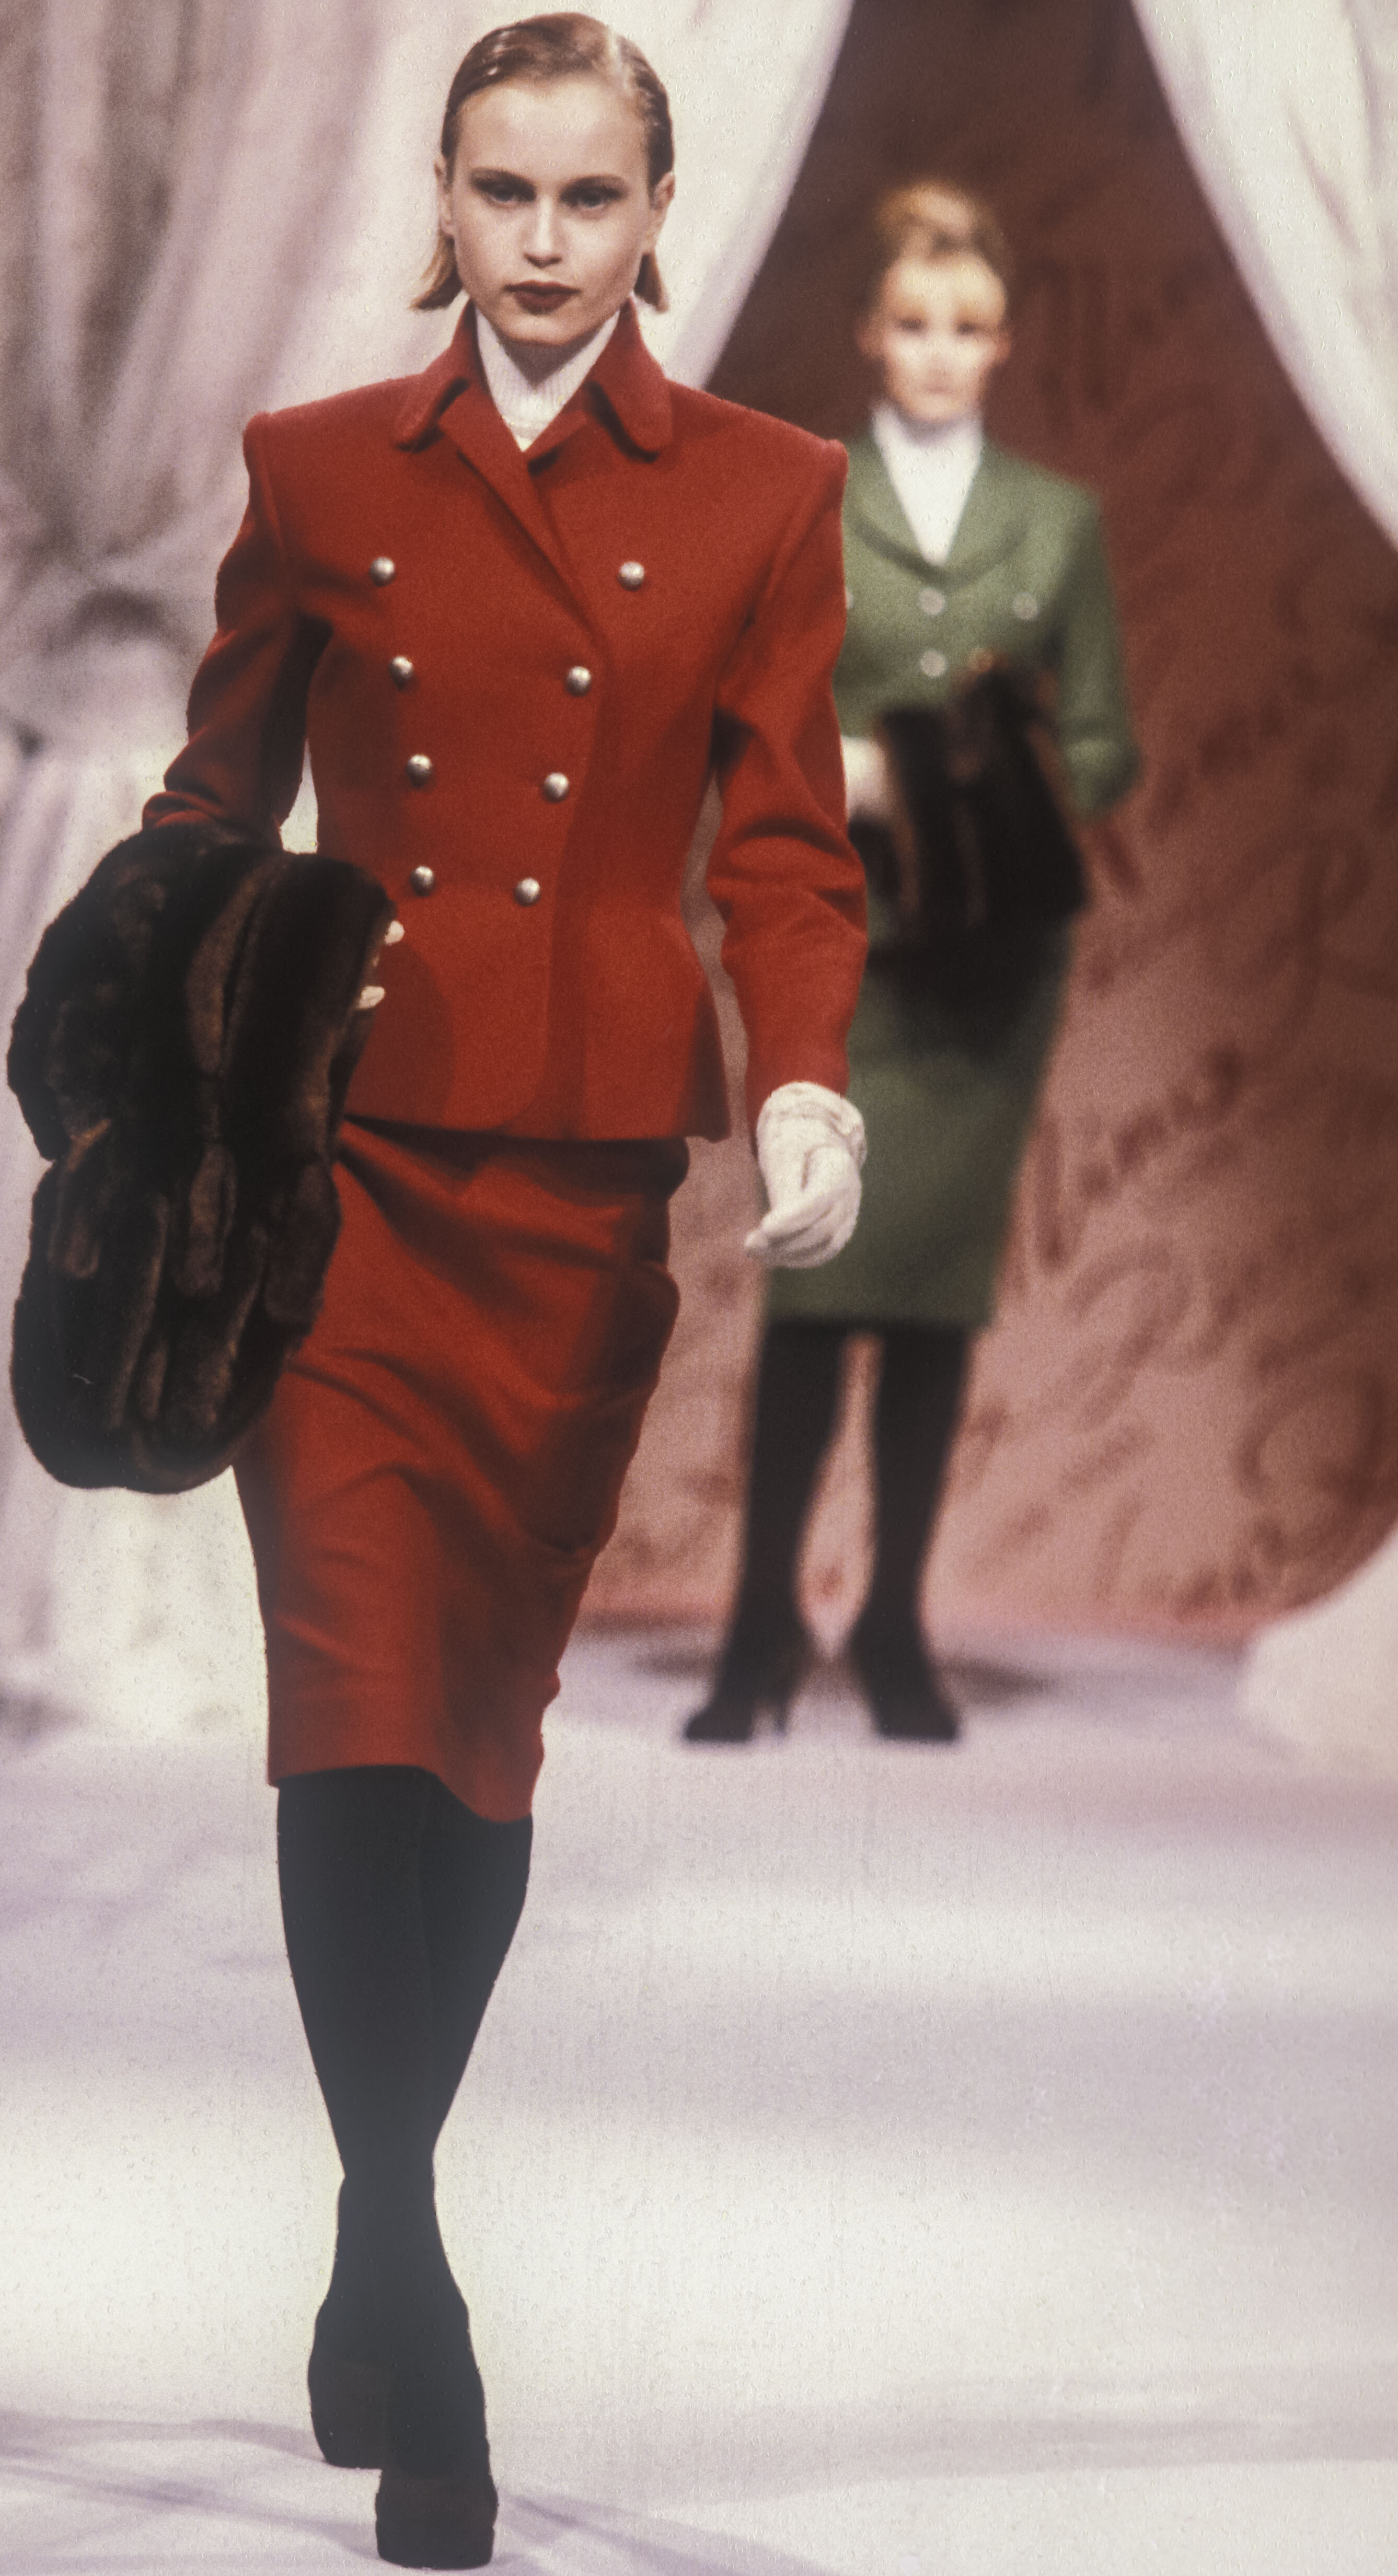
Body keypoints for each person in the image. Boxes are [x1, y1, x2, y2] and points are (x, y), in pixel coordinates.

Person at [142, 13, 868, 2567]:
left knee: (475, 1724)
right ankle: (412, 2265)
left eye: (587, 196)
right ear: (440, 201)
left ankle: (371, 2221)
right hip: (333, 1170)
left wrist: (808, 1080)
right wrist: (155, 1041)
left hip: (574, 1185)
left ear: (657, 215)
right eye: (501, 190)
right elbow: (211, 802)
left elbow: (785, 846)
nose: (543, 241)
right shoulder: (317, 466)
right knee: (349, 1691)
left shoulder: (770, 489)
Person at [686, 180, 1139, 1749]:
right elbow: (744, 712)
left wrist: (979, 773)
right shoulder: (802, 500)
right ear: (870, 334)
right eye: (914, 323)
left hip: (992, 960)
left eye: (969, 326)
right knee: (817, 1278)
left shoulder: (1056, 522)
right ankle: (758, 1626)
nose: (941, 352)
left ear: (1002, 342)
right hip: (844, 937)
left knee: (937, 1300)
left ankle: (890, 1622)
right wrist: (851, 770)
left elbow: (1107, 742)